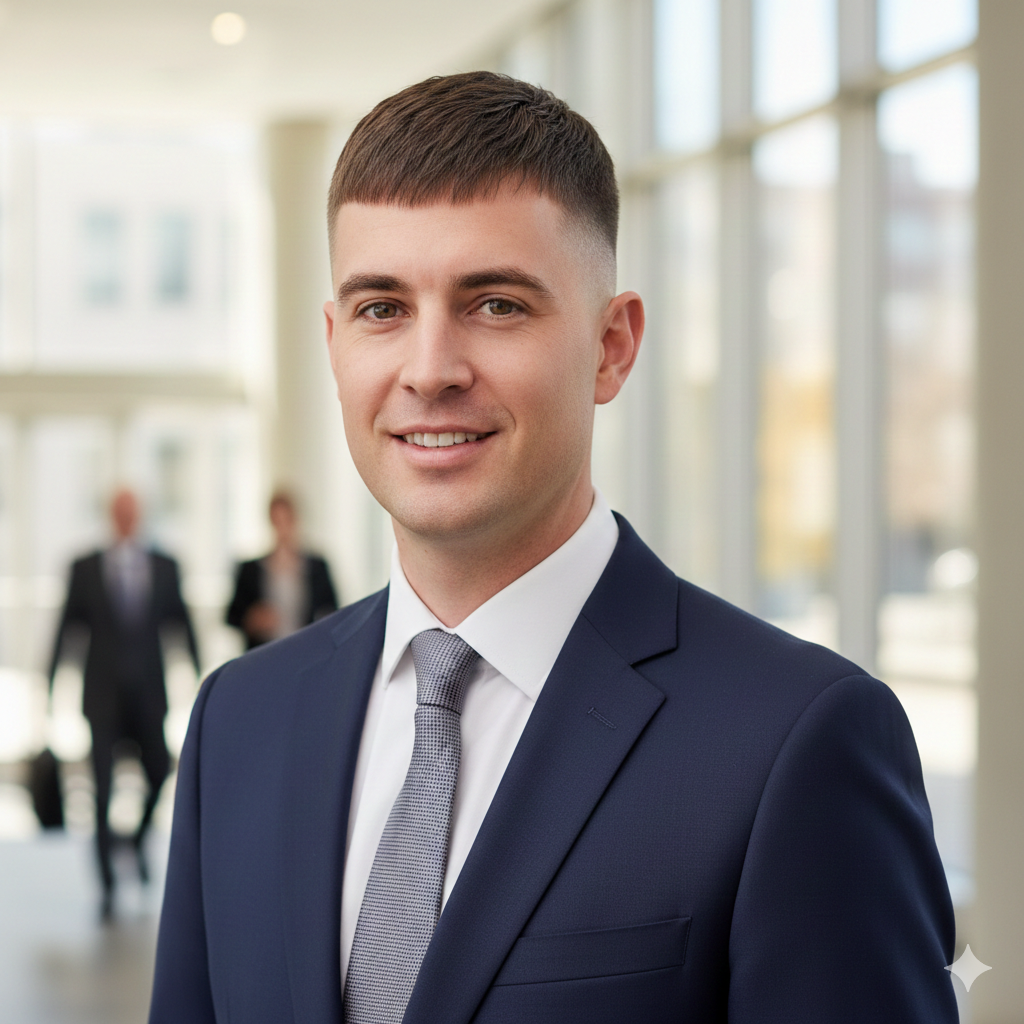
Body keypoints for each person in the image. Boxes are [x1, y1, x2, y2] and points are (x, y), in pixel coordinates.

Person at [150, 73, 957, 1023]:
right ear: (334, 344)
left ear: (612, 346)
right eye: (382, 308)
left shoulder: (795, 741)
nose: (429, 370)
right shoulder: (241, 721)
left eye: (495, 304)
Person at [50, 488, 199, 921]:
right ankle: (107, 883)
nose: (126, 519)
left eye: (132, 512)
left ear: (140, 516)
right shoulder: (85, 568)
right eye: (119, 512)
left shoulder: (165, 566)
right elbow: (66, 631)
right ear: (111, 516)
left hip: (150, 696)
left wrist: (202, 681)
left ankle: (132, 841)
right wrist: (51, 685)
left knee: (158, 772)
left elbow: (182, 627)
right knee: (100, 788)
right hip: (101, 698)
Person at [225, 490, 339, 649]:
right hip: (264, 653)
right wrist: (253, 619)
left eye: (287, 520)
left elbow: (334, 611)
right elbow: (231, 616)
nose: (282, 527)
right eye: (277, 520)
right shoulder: (250, 570)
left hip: (306, 651)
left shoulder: (317, 567)